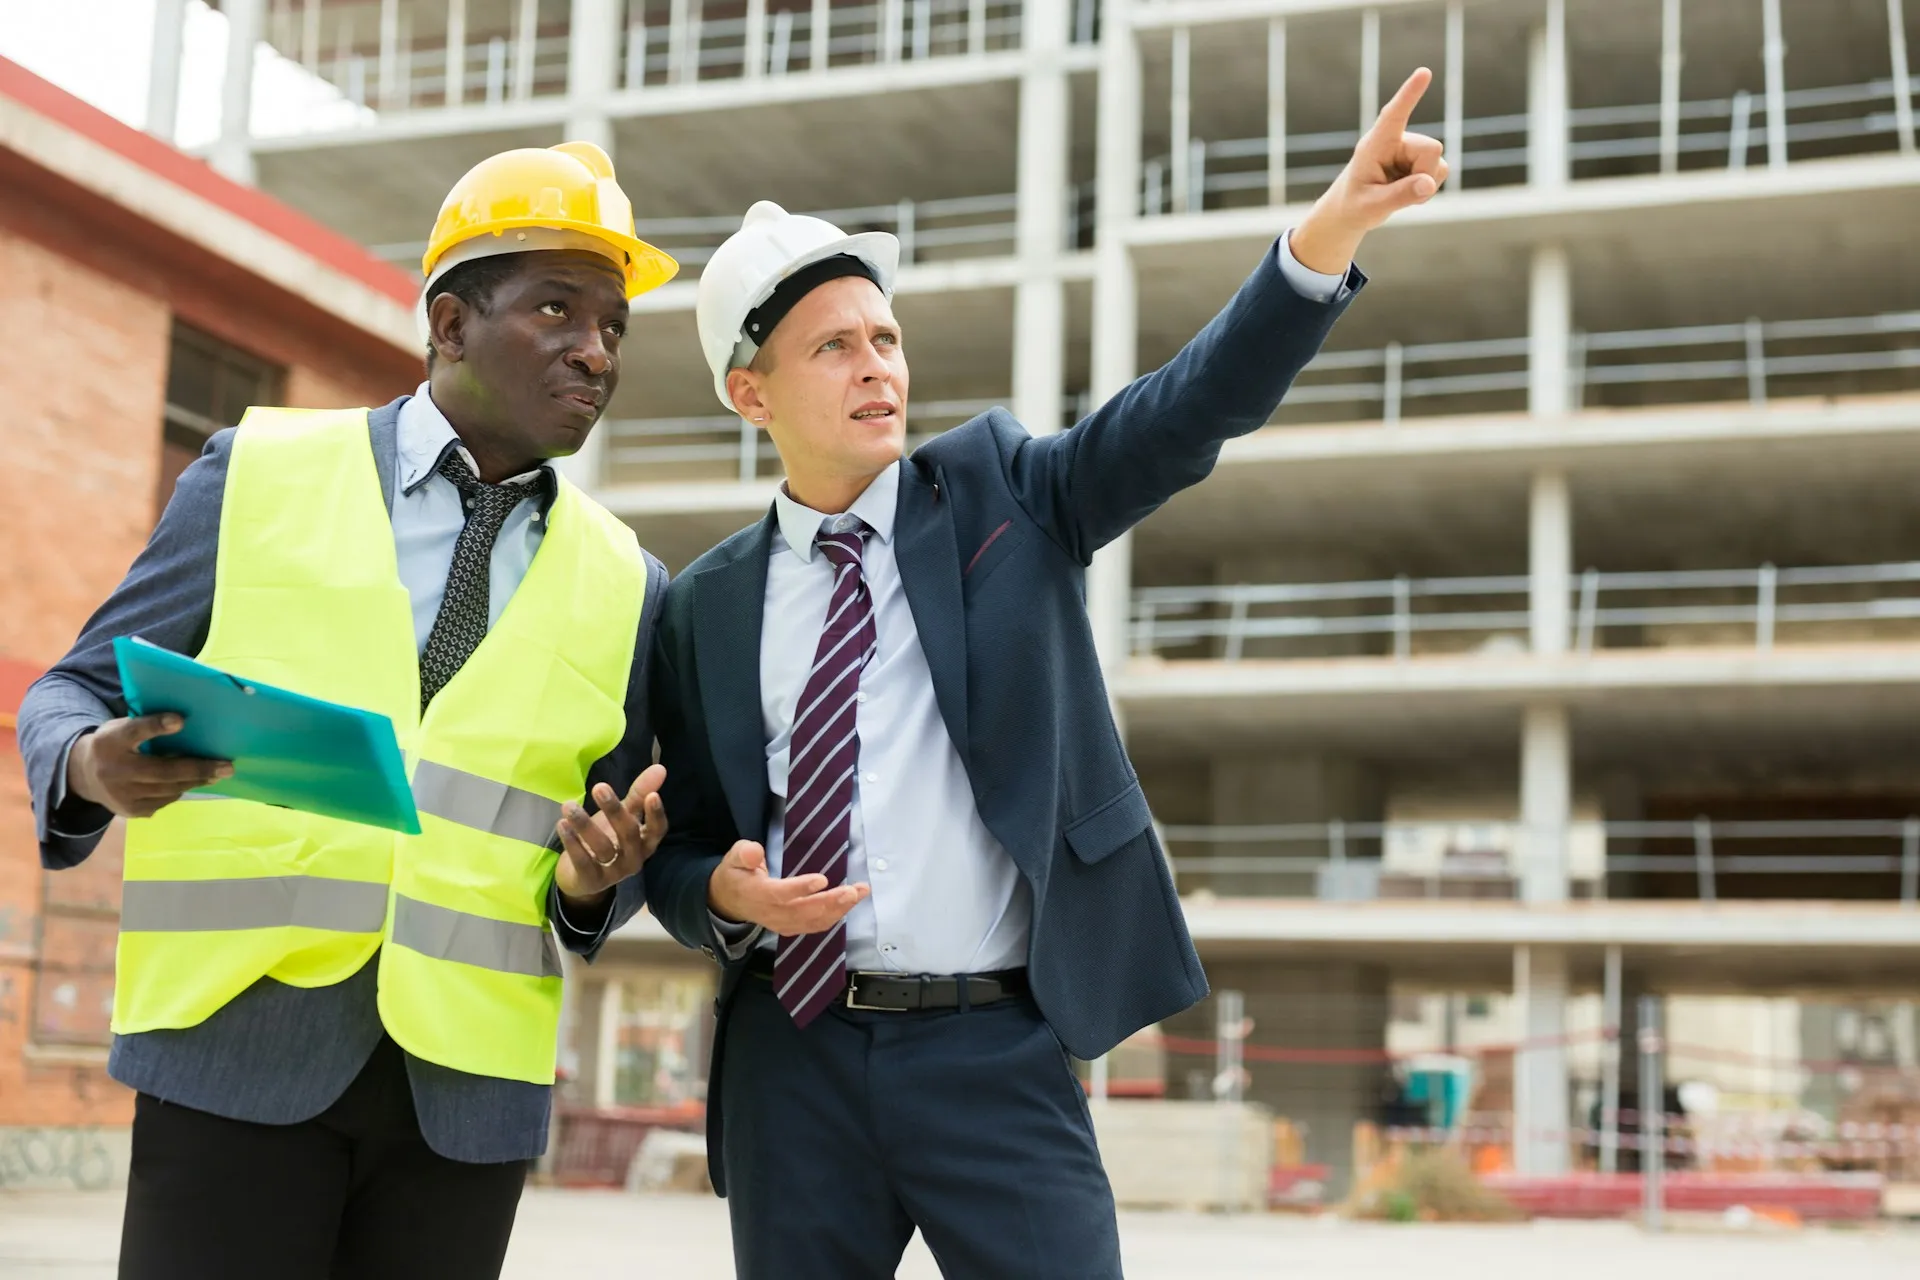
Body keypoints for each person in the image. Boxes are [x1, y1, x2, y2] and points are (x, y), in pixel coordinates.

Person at [632, 68, 1449, 1279]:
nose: (877, 368)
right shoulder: (703, 604)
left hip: (993, 1047)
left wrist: (1321, 237)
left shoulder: (1001, 492)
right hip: (790, 1059)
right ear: (753, 391)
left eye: (887, 337)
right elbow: (679, 843)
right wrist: (724, 896)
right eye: (835, 347)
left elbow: (1179, 416)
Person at [17, 141, 678, 1280]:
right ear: (450, 323)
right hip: (235, 1054)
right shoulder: (257, 475)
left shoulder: (630, 583)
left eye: (614, 325)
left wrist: (593, 884)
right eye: (559, 308)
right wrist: (88, 763)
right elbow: (68, 690)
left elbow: (591, 853)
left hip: (462, 1103)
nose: (594, 348)